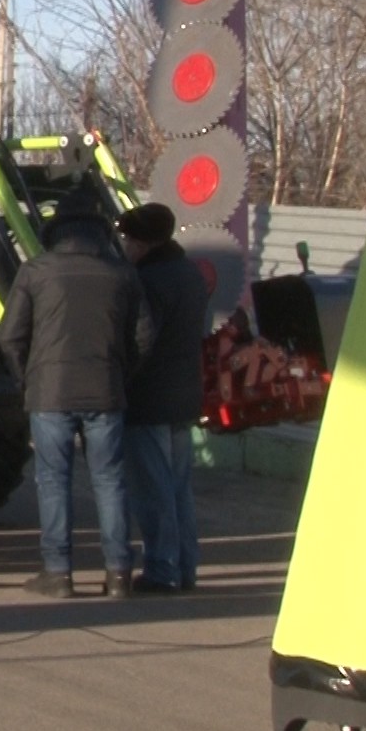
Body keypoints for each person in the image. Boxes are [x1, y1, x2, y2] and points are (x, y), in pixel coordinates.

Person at [0, 192, 154, 599]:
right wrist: (120, 373)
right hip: (105, 389)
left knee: (53, 481)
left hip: (49, 392)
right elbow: (143, 336)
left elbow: (10, 336)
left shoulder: (36, 272)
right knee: (110, 481)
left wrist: (28, 379)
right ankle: (119, 572)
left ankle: (58, 572)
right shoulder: (121, 274)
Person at [117, 203, 209, 594]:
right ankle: (185, 566)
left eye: (126, 238)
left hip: (150, 396)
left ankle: (161, 568)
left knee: (153, 489)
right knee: (178, 487)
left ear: (140, 242)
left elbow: (142, 338)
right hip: (184, 394)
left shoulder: (148, 280)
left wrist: (122, 376)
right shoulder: (189, 274)